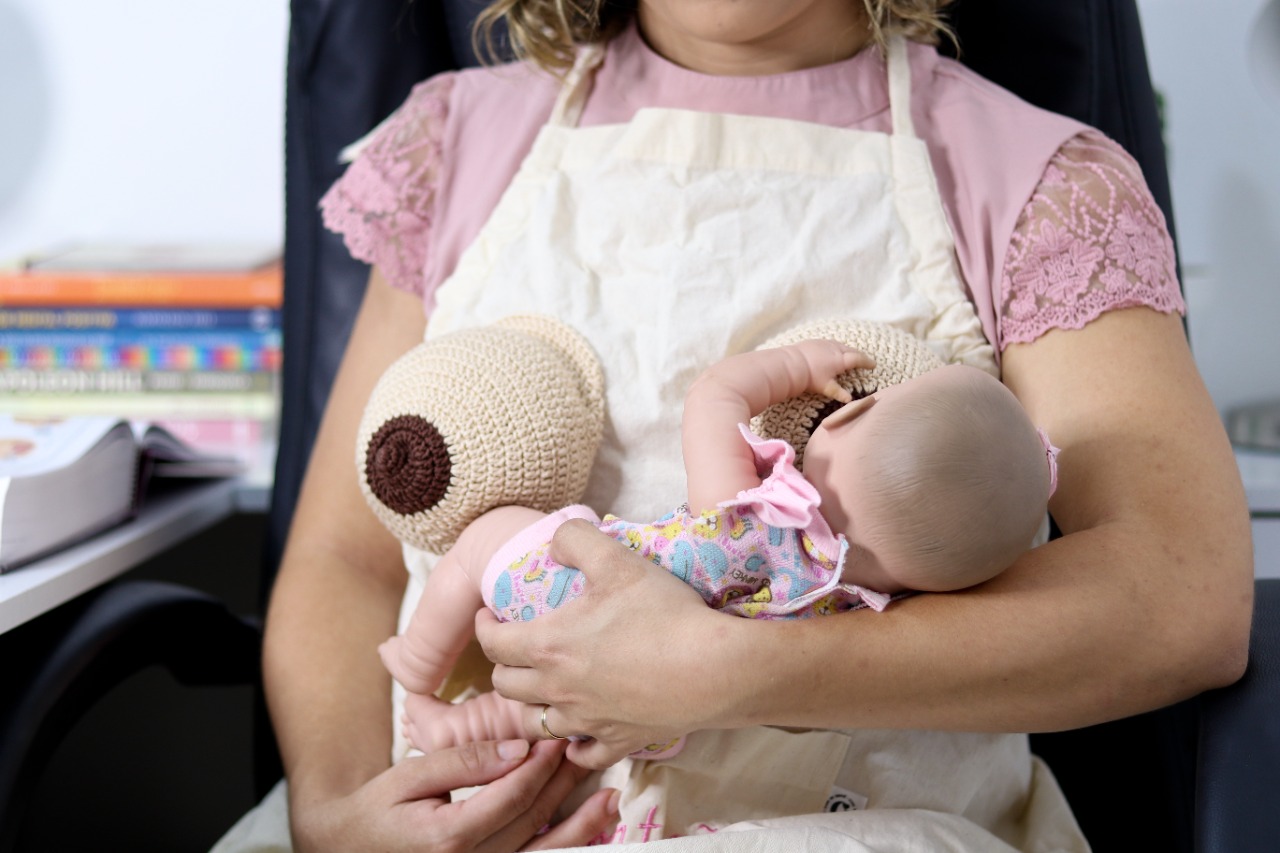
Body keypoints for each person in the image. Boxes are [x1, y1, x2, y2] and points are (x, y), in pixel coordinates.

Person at [232, 0, 1254, 849]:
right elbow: (342, 560)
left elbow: (1177, 597)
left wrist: (739, 673)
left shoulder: (1035, 185)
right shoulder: (453, 147)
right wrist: (335, 811)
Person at [380, 340, 1061, 761]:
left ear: (849, 411)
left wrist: (797, 364)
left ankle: (418, 661)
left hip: (562, 584)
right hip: (654, 713)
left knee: (479, 540)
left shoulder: (745, 515)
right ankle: (461, 726)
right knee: (554, 710)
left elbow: (715, 394)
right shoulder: (845, 608)